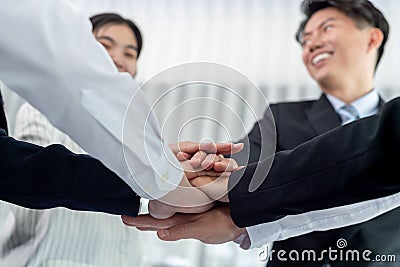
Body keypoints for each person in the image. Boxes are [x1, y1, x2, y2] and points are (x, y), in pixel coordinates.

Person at [125, 0, 400, 265]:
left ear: (372, 39)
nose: (312, 44)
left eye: (327, 28)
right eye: (305, 40)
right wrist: (192, 174)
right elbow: (242, 168)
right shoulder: (282, 116)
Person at [0, 12, 145, 267]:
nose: (118, 59)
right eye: (105, 45)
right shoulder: (42, 113)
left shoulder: (137, 134)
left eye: (129, 54)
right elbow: (28, 195)